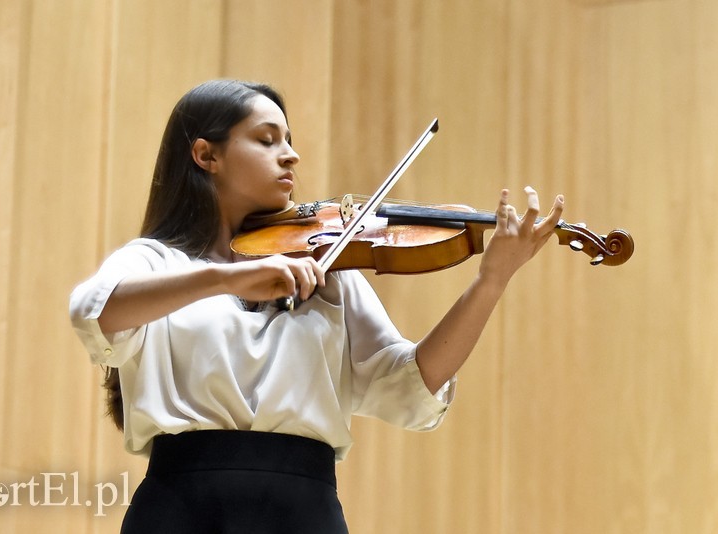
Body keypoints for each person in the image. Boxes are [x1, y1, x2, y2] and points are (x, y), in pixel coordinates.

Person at [69, 79, 564, 533]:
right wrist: (226, 278)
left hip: (303, 511)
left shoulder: (326, 271)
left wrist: (491, 280)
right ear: (206, 155)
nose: (291, 155)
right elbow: (95, 311)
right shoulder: (156, 262)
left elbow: (411, 386)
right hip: (181, 508)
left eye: (288, 140)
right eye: (267, 140)